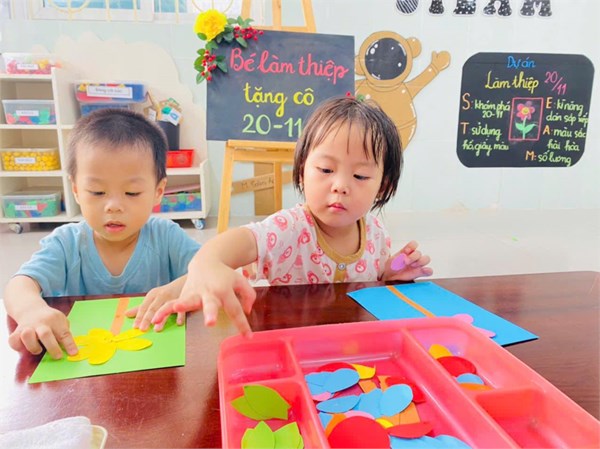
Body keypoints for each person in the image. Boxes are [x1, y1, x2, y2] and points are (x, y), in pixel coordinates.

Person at [151, 96, 432, 336]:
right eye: (326, 170)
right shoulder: (289, 228)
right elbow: (241, 242)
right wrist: (206, 262)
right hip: (289, 343)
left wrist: (389, 274)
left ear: (383, 186)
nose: (340, 185)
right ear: (301, 172)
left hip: (349, 347)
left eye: (360, 175)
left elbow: (370, 277)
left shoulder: (375, 231)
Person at [3, 109, 200, 359]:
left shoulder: (166, 236)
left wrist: (179, 287)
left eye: (132, 193)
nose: (113, 206)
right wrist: (31, 311)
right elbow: (19, 285)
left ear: (158, 191)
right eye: (97, 192)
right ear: (76, 190)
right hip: (82, 366)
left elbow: (213, 270)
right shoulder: (66, 243)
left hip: (157, 360)